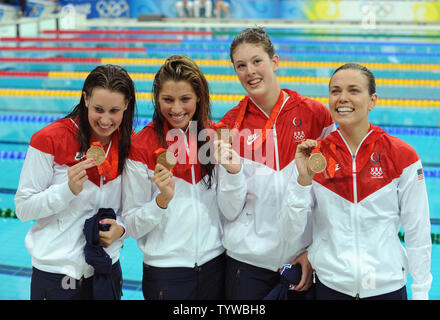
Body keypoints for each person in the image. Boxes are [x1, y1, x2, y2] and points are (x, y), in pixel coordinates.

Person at [283, 63, 432, 300]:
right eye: (335, 91)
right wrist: (303, 181)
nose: (342, 98)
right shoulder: (314, 156)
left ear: (372, 101)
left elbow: (418, 231)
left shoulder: (402, 155)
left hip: (387, 288)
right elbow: (292, 231)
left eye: (353, 90)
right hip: (331, 288)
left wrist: (422, 292)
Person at [219, 27, 336, 299]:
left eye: (257, 61)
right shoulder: (228, 125)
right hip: (246, 265)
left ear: (274, 62)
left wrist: (315, 250)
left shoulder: (314, 115)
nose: (250, 71)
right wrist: (232, 173)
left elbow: (330, 192)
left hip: (301, 264)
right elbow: (227, 209)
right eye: (241, 65)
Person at [122, 54, 246, 300]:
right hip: (166, 273)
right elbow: (131, 225)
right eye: (168, 99)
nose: (176, 109)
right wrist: (161, 202)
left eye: (185, 99)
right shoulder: (141, 146)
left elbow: (231, 211)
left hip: (216, 265)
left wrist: (233, 172)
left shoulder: (215, 138)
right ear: (157, 99)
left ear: (199, 97)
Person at [14, 64, 137, 300]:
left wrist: (121, 229)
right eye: (98, 109)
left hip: (106, 270)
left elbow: (130, 209)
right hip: (57, 275)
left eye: (114, 110)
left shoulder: (128, 144)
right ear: (85, 99)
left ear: (126, 105)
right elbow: (23, 208)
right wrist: (66, 191)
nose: (105, 119)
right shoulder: (49, 139)